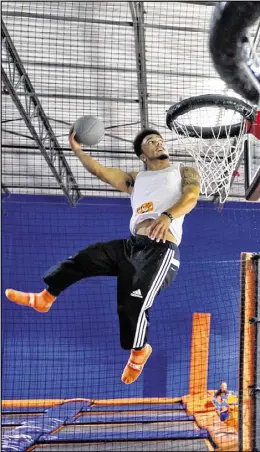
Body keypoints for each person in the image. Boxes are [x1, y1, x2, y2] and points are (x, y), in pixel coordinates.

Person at [5, 127, 200, 385]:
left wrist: (168, 216)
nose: (158, 143)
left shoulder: (183, 171)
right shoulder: (135, 179)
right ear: (143, 154)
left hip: (161, 250)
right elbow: (99, 171)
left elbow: (191, 196)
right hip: (132, 245)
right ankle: (44, 298)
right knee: (86, 257)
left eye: (160, 140)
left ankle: (139, 352)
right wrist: (77, 150)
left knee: (131, 305)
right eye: (151, 142)